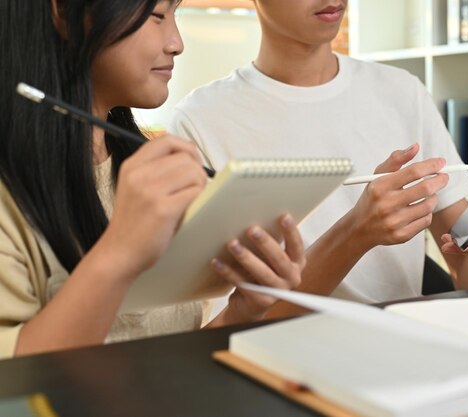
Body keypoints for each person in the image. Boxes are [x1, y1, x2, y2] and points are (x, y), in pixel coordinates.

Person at [171, 0, 468, 316]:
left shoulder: (402, 92)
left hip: (402, 356)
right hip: (280, 365)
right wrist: (356, 233)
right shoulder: (201, 121)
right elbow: (234, 322)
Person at [0, 0, 305, 359]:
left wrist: (243, 310)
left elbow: (169, 362)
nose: (177, 43)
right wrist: (121, 251)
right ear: (64, 14)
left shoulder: (143, 174)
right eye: (156, 15)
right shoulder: (11, 197)